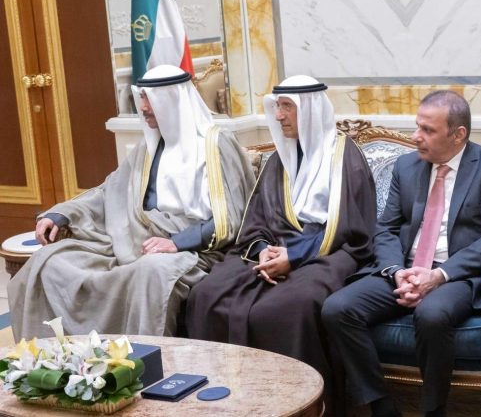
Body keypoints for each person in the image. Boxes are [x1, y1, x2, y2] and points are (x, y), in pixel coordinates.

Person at [8, 64, 253, 340]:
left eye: (150, 99)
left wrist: (176, 243)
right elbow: (109, 191)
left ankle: (143, 356)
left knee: (153, 271)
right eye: (142, 98)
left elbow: (230, 219)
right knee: (50, 261)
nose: (143, 108)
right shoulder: (149, 146)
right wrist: (62, 213)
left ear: (172, 100)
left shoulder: (216, 144)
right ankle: (59, 355)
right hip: (132, 240)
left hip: (194, 249)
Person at [322, 90, 481, 417]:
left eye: (428, 130)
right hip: (404, 267)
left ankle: (433, 410)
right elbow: (386, 227)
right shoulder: (406, 166)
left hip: (455, 274)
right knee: (337, 308)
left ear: (458, 135)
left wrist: (438, 276)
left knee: (431, 315)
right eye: (417, 126)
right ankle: (381, 406)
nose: (416, 137)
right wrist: (395, 271)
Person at [185, 75, 376, 410]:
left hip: (328, 251)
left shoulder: (345, 157)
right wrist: (262, 251)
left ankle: (298, 405)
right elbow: (257, 219)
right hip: (273, 247)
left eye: (287, 107)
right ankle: (223, 401)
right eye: (277, 107)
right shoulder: (279, 159)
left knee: (287, 307)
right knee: (206, 294)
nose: (279, 116)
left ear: (310, 109)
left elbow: (352, 227)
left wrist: (294, 256)